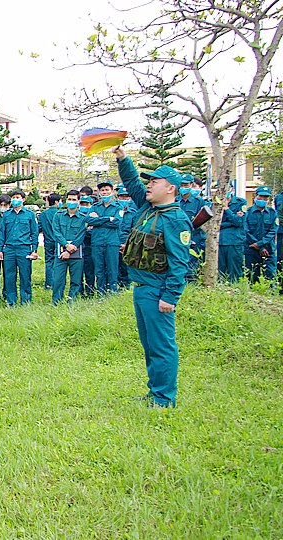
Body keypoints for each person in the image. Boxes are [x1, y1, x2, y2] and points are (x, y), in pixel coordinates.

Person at [115, 147, 192, 408]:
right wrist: (123, 159)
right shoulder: (147, 209)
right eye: (149, 181)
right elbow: (132, 182)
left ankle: (164, 398)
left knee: (161, 346)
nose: (148, 186)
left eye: (155, 182)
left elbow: (180, 263)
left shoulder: (176, 220)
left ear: (171, 188)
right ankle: (155, 391)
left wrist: (170, 297)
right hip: (140, 287)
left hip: (157, 290)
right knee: (149, 345)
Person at [0, 189, 39, 306]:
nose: (16, 200)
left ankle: (26, 301)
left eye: (18, 197)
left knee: (25, 276)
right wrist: (0, 250)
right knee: (9, 276)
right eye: (14, 197)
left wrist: (34, 250)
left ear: (23, 199)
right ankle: (11, 301)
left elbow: (34, 233)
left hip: (24, 249)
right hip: (9, 249)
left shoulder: (30, 215)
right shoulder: (6, 215)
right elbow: (2, 233)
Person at [51, 191, 87, 304]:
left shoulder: (83, 218)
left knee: (76, 280)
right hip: (60, 253)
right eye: (69, 199)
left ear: (78, 202)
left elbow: (81, 235)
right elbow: (56, 232)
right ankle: (56, 301)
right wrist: (66, 246)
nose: (71, 202)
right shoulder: (58, 215)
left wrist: (70, 250)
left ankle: (72, 301)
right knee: (57, 279)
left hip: (76, 254)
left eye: (74, 200)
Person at [88, 181, 123, 294]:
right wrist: (108, 218)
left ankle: (112, 292)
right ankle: (100, 293)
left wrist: (99, 219)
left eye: (107, 190)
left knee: (112, 269)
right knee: (99, 269)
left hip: (112, 242)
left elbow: (117, 223)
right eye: (102, 190)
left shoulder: (118, 206)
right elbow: (89, 220)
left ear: (112, 192)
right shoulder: (95, 206)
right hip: (97, 242)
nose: (105, 192)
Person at [178, 174, 211, 281]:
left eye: (186, 185)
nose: (183, 187)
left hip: (195, 239)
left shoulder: (200, 202)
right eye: (181, 185)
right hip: (177, 239)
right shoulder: (175, 201)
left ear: (191, 185)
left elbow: (203, 221)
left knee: (192, 270)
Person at [244, 185, 278, 283]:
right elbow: (246, 231)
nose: (263, 199)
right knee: (252, 277)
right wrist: (257, 246)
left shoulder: (272, 213)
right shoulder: (248, 212)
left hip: (268, 250)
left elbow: (273, 231)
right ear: (255, 196)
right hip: (251, 249)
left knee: (271, 277)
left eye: (265, 197)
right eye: (260, 196)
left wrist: (260, 245)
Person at [218, 195, 247, 282]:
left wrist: (227, 209)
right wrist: (231, 223)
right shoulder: (216, 203)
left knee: (235, 273)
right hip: (220, 241)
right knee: (219, 274)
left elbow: (239, 222)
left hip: (235, 242)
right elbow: (215, 223)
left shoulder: (240, 202)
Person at [39, 193, 61, 290]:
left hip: (48, 241)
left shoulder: (43, 214)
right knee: (58, 262)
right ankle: (57, 282)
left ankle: (49, 283)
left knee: (49, 262)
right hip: (59, 241)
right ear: (56, 202)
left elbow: (38, 228)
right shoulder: (60, 214)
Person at [117, 188, 137, 288]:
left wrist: (126, 244)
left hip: (126, 246)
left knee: (126, 269)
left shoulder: (133, 213)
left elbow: (135, 230)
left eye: (127, 197)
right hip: (113, 244)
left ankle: (125, 288)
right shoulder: (113, 211)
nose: (124, 199)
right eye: (122, 197)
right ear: (117, 198)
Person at [79, 193, 96, 297]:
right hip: (78, 247)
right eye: (82, 204)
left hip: (89, 247)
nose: (84, 206)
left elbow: (93, 232)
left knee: (89, 271)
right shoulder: (77, 217)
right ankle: (79, 291)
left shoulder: (94, 217)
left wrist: (86, 231)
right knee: (78, 272)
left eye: (87, 204)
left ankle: (90, 291)